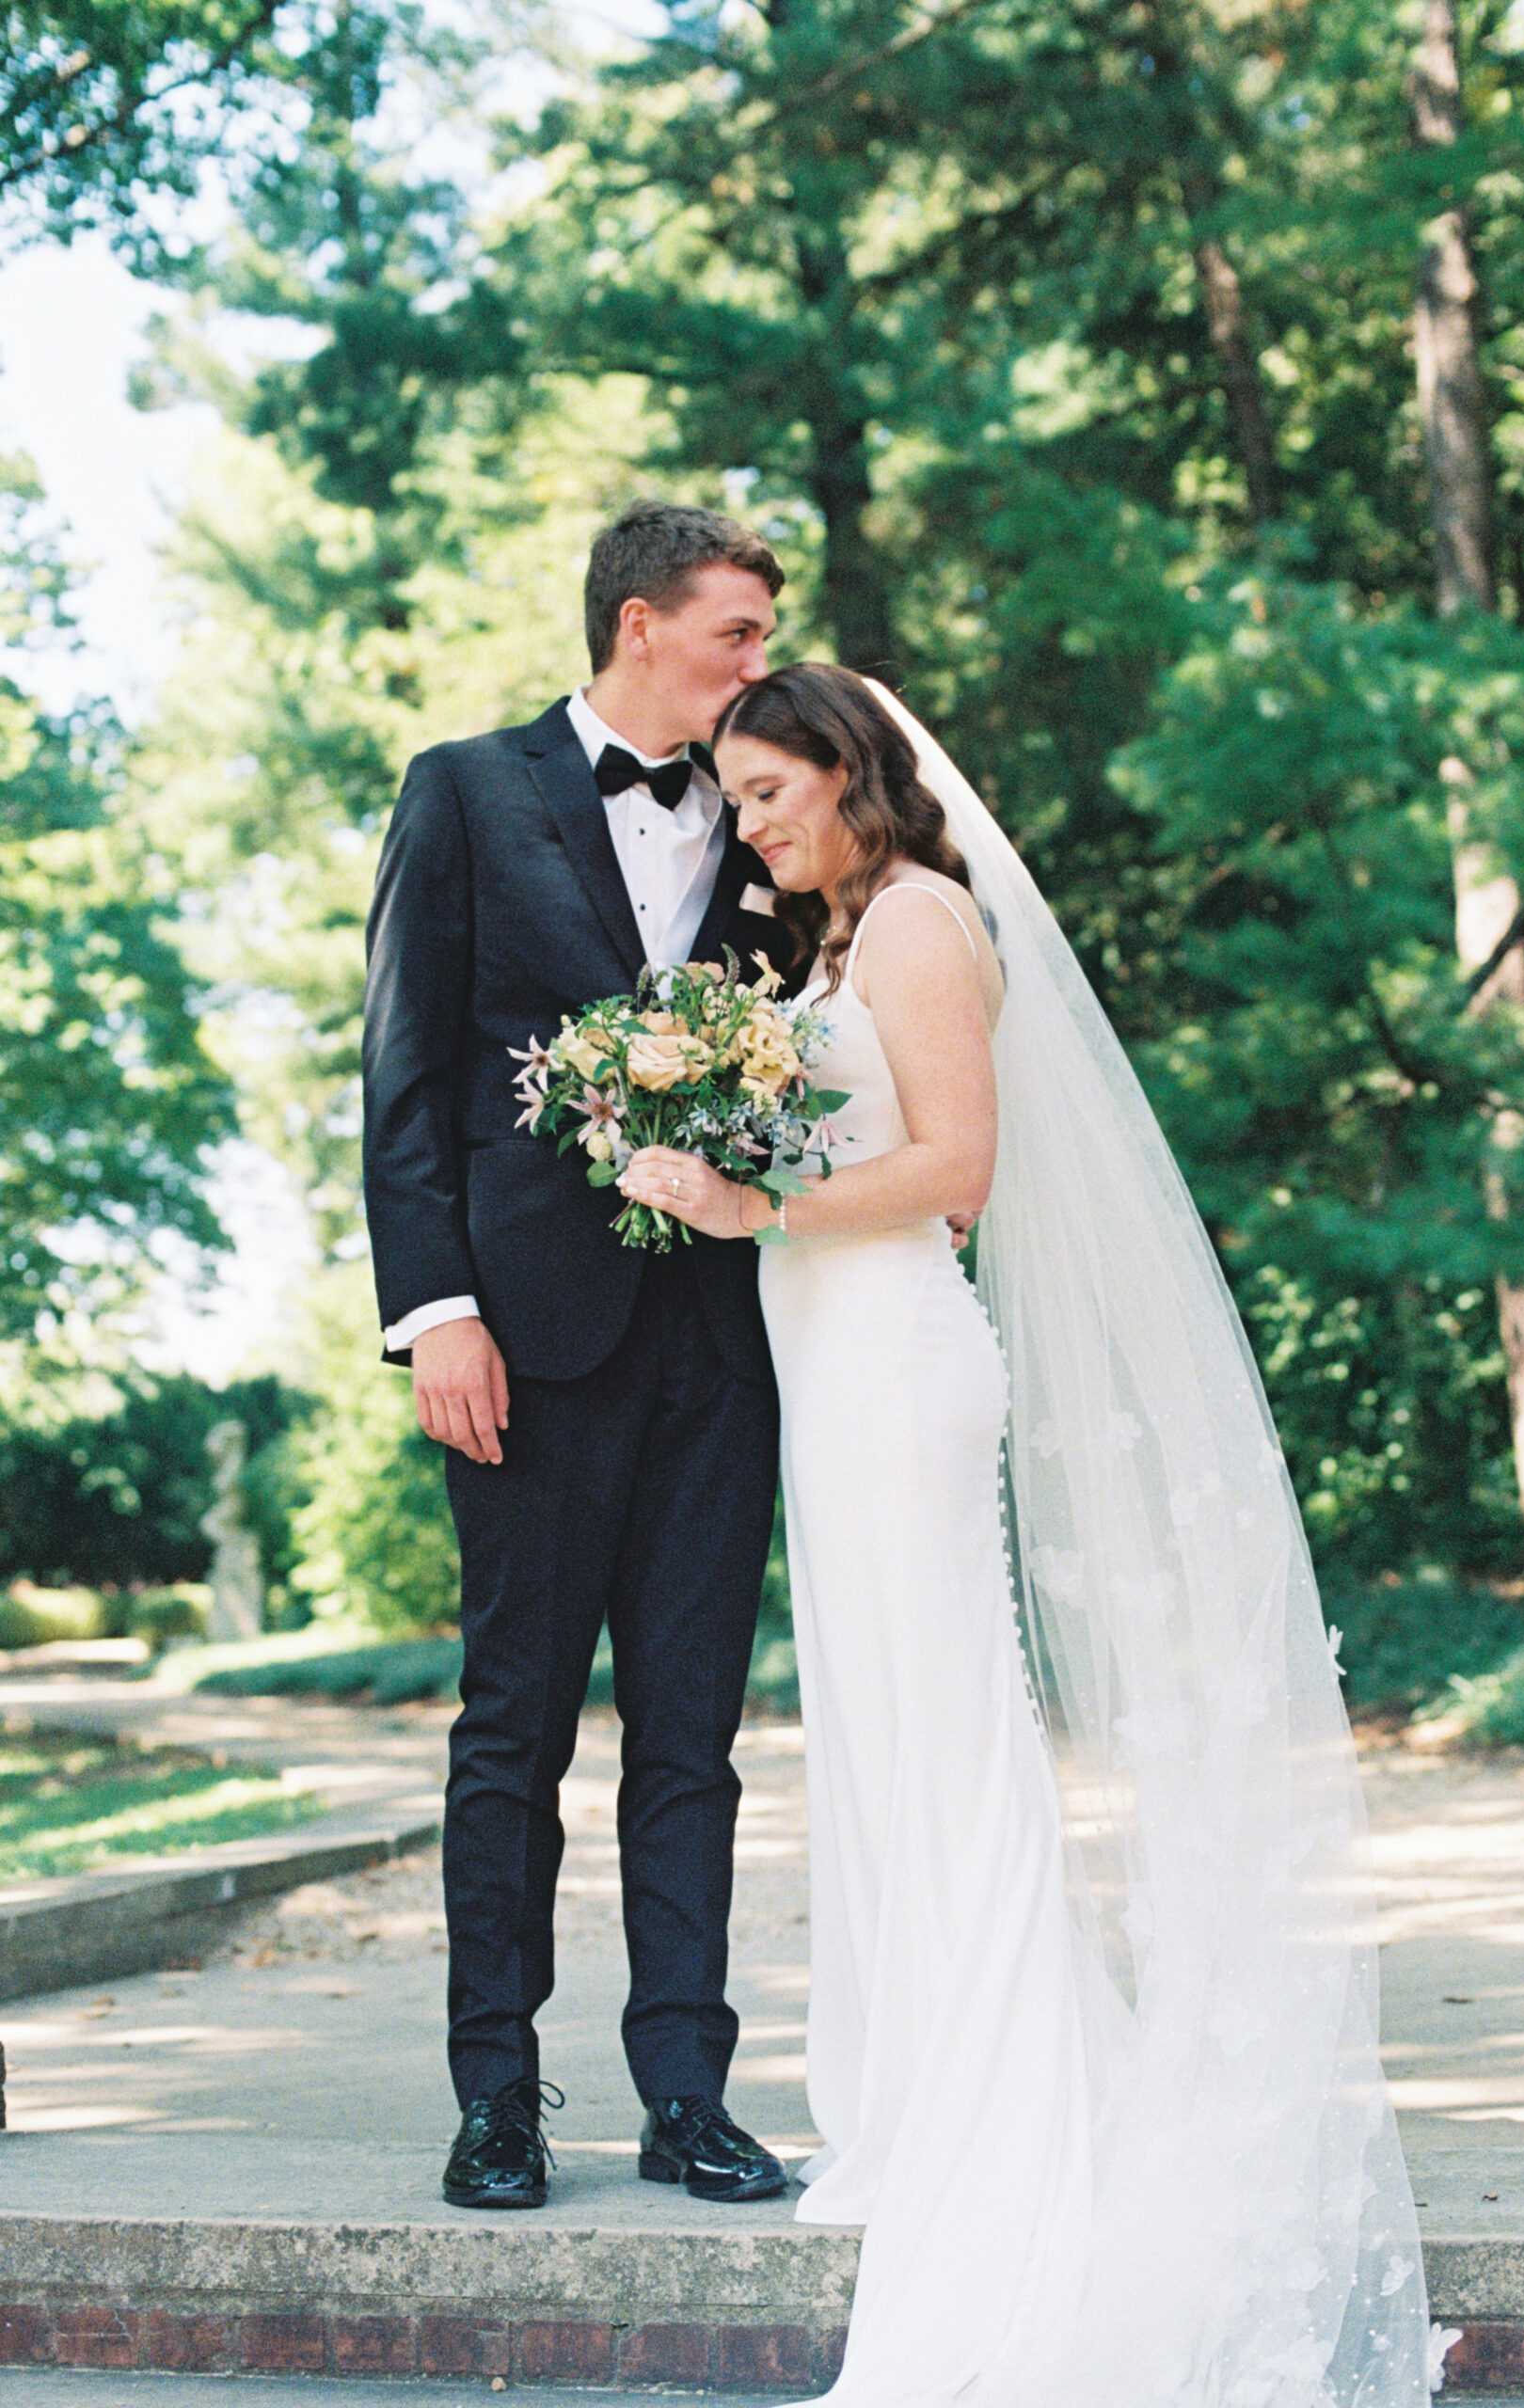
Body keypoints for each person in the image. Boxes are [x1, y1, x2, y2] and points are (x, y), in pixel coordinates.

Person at [620, 663, 1443, 2406]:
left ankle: (999, 2112)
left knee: (946, 1732)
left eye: (766, 793)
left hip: (896, 1364)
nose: (746, 829)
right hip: (831, 1369)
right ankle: (925, 2089)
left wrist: (748, 1201)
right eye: (734, 799)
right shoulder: (842, 937)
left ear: (848, 772)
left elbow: (958, 1169)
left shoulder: (920, 920)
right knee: (886, 1736)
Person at [361, 500, 794, 2211]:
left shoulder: (771, 811)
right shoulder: (464, 791)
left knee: (691, 1738)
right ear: (638, 623)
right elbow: (405, 1074)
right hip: (523, 1345)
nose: (757, 664)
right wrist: (436, 1314)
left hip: (725, 1345)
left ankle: (688, 2093)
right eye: (735, 632)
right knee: (513, 1732)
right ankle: (498, 2100)